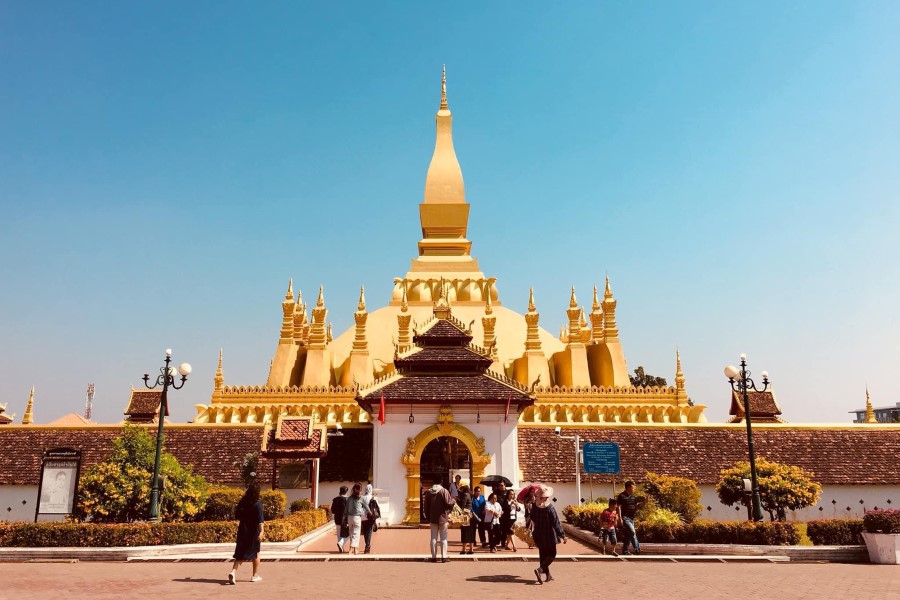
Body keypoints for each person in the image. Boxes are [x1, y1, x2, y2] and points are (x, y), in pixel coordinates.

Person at [228, 483, 264, 584]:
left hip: (242, 531)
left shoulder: (242, 502)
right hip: (253, 533)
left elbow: (237, 515)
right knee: (256, 553)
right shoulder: (257, 504)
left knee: (240, 554)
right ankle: (255, 575)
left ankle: (233, 572)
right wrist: (261, 532)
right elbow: (260, 521)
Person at [530, 484, 566, 584]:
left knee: (543, 554)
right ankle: (540, 570)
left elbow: (532, 517)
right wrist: (562, 535)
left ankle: (548, 575)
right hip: (549, 534)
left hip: (538, 533)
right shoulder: (549, 508)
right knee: (552, 554)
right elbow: (556, 523)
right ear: (545, 497)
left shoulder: (534, 506)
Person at [423, 477, 454, 563]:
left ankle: (433, 557)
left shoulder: (429, 492)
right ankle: (444, 557)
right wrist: (453, 500)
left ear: (433, 481)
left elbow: (426, 507)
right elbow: (449, 502)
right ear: (441, 481)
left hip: (432, 517)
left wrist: (428, 517)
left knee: (433, 538)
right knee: (443, 538)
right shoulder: (444, 491)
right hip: (443, 517)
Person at [617, 480, 644, 556]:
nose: (634, 488)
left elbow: (636, 506)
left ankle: (625, 551)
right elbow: (618, 507)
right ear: (628, 487)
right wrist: (620, 518)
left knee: (628, 535)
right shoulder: (621, 496)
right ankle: (637, 548)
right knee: (632, 531)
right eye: (632, 487)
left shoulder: (633, 496)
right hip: (625, 517)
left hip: (632, 518)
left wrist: (644, 503)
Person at [344, 483, 372, 555]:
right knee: (356, 534)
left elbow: (346, 509)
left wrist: (344, 517)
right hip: (357, 517)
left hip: (349, 517)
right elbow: (366, 507)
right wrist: (370, 512)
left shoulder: (349, 498)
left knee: (351, 533)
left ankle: (355, 549)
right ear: (359, 490)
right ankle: (352, 548)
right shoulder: (361, 498)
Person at [456, 484, 475, 554]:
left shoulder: (465, 495)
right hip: (470, 515)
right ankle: (471, 549)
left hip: (465, 515)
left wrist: (457, 500)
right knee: (470, 532)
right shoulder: (470, 494)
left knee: (464, 532)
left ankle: (464, 549)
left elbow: (462, 505)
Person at [330, 485, 349, 553]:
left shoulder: (335, 499)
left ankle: (341, 546)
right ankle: (341, 544)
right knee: (348, 532)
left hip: (337, 518)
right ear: (346, 492)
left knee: (338, 533)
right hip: (345, 519)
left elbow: (332, 510)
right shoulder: (347, 499)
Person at [361, 483, 377, 554]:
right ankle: (367, 546)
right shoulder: (373, 498)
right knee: (369, 531)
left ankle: (367, 544)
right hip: (370, 517)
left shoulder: (363, 497)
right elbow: (376, 509)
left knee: (365, 532)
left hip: (363, 517)